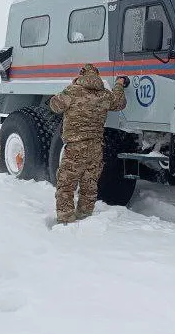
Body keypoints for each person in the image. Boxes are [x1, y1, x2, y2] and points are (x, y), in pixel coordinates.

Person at [49, 64, 128, 224]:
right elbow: (120, 103)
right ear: (98, 77)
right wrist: (119, 84)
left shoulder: (72, 91)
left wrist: (71, 86)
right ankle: (85, 217)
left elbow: (54, 105)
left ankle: (65, 219)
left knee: (66, 185)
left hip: (75, 148)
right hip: (96, 148)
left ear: (81, 75)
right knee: (89, 185)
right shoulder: (105, 95)